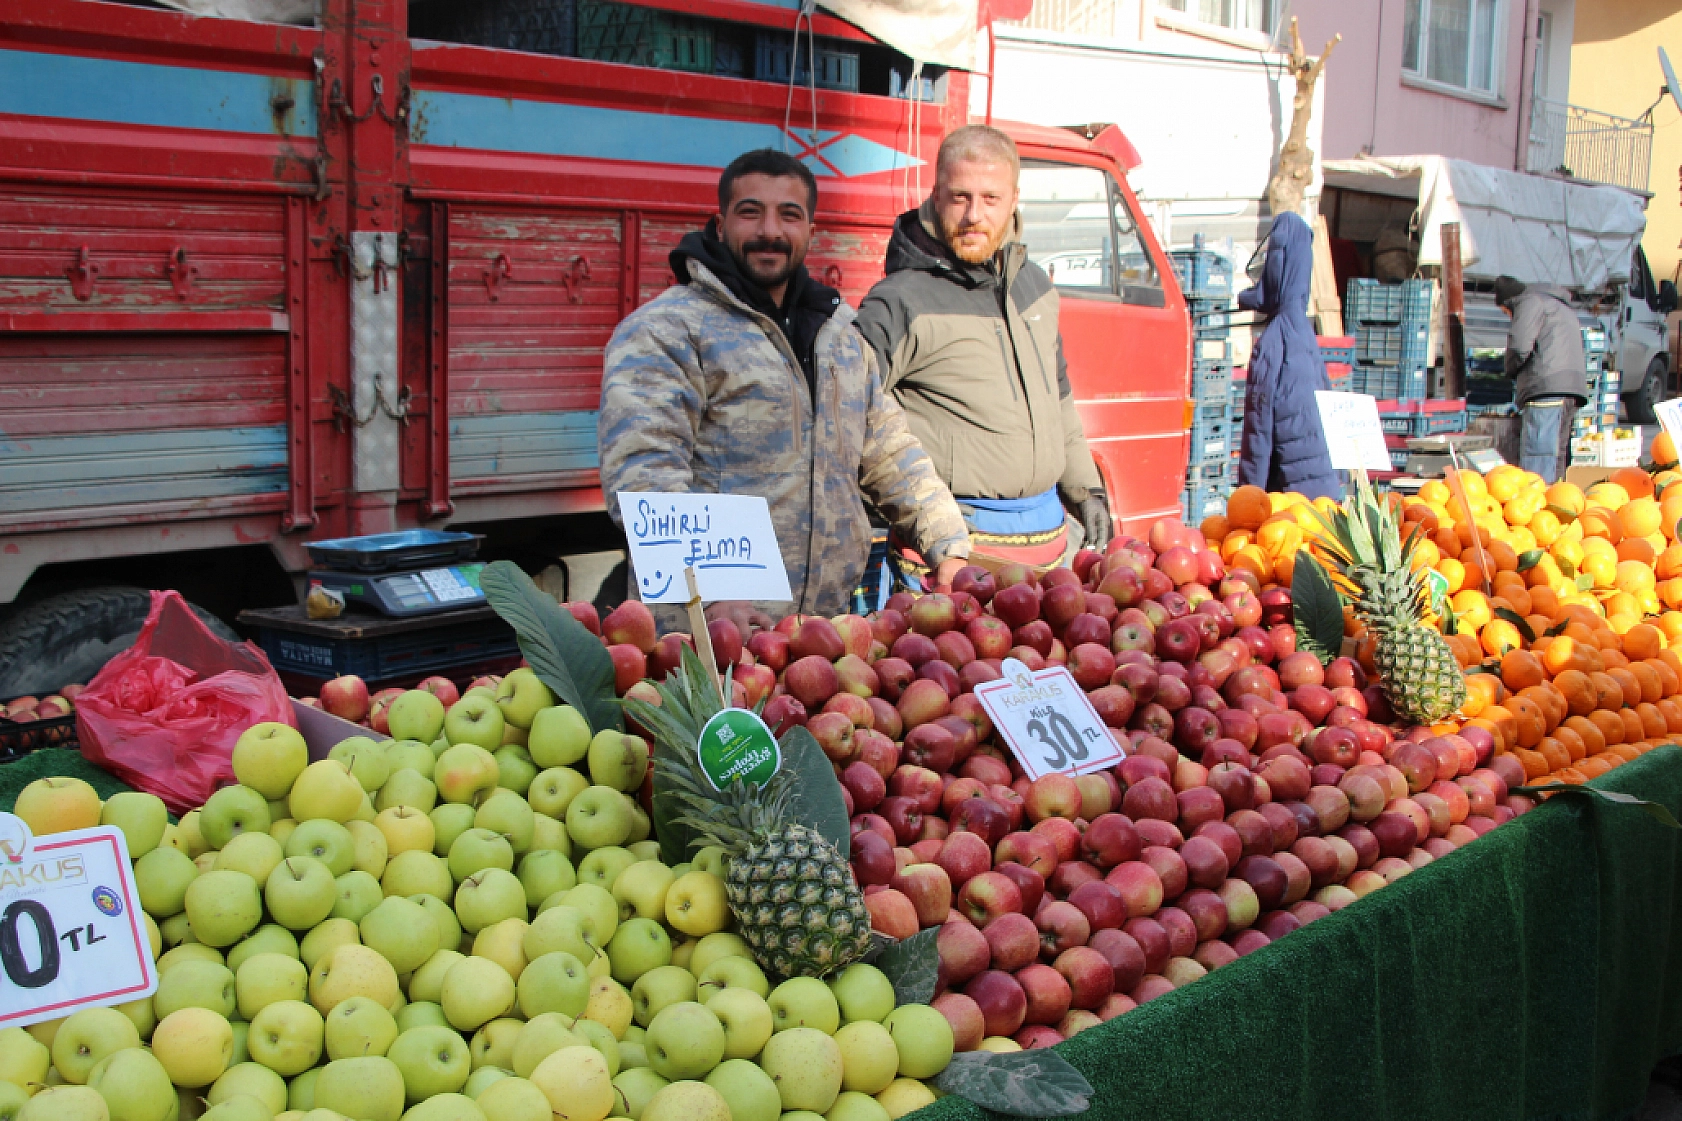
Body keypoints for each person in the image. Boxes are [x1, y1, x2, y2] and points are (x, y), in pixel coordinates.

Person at [598, 149, 971, 636]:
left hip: (822, 639)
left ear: (810, 229)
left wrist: (949, 546)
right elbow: (642, 476)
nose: (770, 231)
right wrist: (711, 594)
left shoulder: (840, 334)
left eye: (788, 215)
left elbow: (891, 453)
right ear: (720, 223)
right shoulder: (667, 331)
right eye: (751, 212)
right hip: (706, 640)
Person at [854, 125, 1111, 576]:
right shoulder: (896, 302)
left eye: (990, 199)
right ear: (936, 196)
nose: (974, 215)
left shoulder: (1035, 287)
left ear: (1014, 199)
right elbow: (849, 419)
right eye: (960, 197)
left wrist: (1087, 492)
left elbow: (1061, 404)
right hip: (953, 563)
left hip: (1047, 549)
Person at [1236, 211, 1340, 501]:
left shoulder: (1275, 340)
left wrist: (1248, 494)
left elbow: (1259, 430)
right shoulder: (1303, 334)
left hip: (1293, 502)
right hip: (1322, 495)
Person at [1496, 275, 1587, 483]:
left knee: (1539, 457)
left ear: (1509, 303)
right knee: (1556, 459)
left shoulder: (1529, 302)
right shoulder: (1558, 304)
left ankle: (1536, 508)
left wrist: (1510, 369)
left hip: (1545, 386)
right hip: (1570, 387)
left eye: (1506, 313)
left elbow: (1519, 346)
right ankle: (1555, 505)